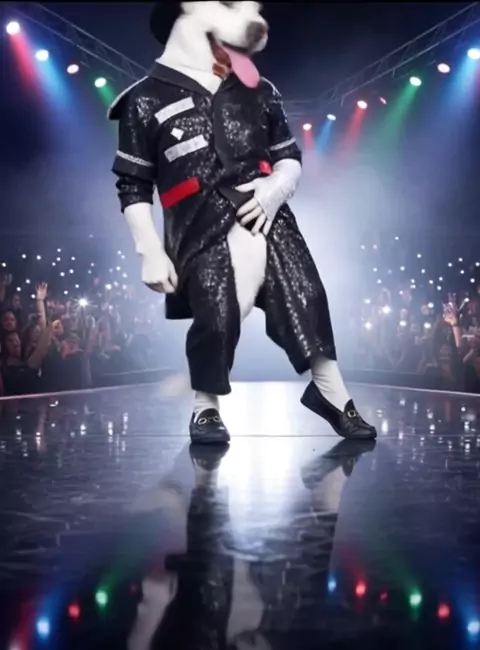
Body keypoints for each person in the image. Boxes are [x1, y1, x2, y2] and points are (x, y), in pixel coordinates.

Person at [108, 1, 376, 444]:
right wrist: (149, 250)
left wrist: (276, 190)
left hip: (267, 215)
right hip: (198, 225)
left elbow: (288, 157)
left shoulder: (260, 90)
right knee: (215, 312)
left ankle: (332, 393)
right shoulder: (144, 98)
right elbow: (133, 184)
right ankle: (205, 408)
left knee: (307, 295)